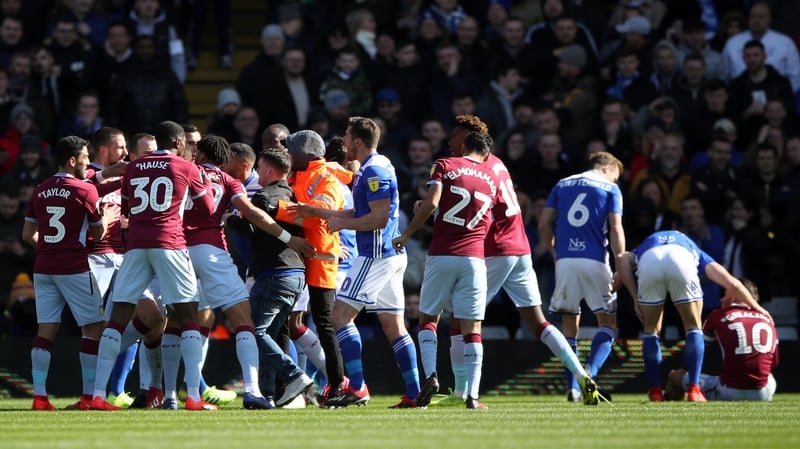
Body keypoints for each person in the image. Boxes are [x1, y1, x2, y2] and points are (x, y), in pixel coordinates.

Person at [435, 114, 601, 407]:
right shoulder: (497, 163)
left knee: (460, 320)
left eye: (455, 137)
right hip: (520, 247)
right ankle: (581, 374)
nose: (450, 142)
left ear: (469, 138)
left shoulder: (476, 168)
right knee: (538, 322)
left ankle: (462, 392)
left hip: (496, 250)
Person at [294, 117, 421, 408]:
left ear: (358, 142)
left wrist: (341, 222)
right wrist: (324, 214)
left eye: (347, 137)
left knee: (338, 318)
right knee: (393, 326)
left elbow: (377, 218)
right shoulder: (377, 166)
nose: (344, 142)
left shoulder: (373, 170)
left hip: (375, 255)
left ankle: (358, 386)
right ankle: (415, 392)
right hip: (389, 256)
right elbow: (362, 211)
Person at [180, 135, 313, 409]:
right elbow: (252, 214)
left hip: (176, 250)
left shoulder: (184, 171)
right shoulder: (232, 182)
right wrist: (290, 239)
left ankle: (179, 394)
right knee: (246, 323)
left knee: (180, 321)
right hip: (214, 251)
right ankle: (259, 389)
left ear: (201, 156)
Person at [89, 121, 215, 411]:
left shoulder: (134, 167)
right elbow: (207, 209)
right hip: (170, 243)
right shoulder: (186, 167)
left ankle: (97, 394)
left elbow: (128, 207)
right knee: (188, 316)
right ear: (180, 143)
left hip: (135, 245)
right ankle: (193, 396)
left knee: (118, 316)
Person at [393, 131, 499, 411]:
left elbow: (432, 203)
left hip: (442, 252)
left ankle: (431, 376)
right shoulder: (491, 177)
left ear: (463, 146)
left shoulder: (445, 165)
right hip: (475, 257)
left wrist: (407, 233)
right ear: (486, 154)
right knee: (472, 327)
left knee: (429, 317)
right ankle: (473, 397)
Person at [616, 230, 770, 402]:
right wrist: (757, 307)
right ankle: (694, 390)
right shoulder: (692, 248)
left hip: (650, 261)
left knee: (650, 331)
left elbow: (621, 259)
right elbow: (732, 283)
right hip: (681, 260)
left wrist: (634, 296)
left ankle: (655, 391)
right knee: (693, 328)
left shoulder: (643, 247)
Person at [225, 148, 315, 409]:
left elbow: (250, 226)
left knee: (253, 331)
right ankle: (267, 394)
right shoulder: (294, 195)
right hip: (296, 275)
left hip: (274, 273)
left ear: (269, 171)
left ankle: (293, 374)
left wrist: (230, 219)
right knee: (269, 337)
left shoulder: (263, 197)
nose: (258, 174)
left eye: (261, 168)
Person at [22, 135, 106, 411]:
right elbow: (98, 232)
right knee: (93, 327)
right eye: (84, 156)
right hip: (74, 267)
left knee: (46, 328)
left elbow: (27, 234)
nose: (87, 161)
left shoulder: (40, 189)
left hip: (44, 266)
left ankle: (39, 397)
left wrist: (49, 248)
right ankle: (88, 397)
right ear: (72, 160)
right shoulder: (86, 190)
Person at [538, 151, 625, 404]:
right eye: (616, 177)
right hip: (595, 259)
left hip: (565, 261)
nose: (616, 181)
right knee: (607, 322)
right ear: (607, 168)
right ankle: (589, 373)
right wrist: (620, 261)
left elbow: (544, 222)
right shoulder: (609, 188)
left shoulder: (562, 184)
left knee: (569, 329)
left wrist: (555, 250)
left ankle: (574, 389)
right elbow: (616, 227)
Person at [273, 129, 347, 405]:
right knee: (289, 322)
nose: (288, 154)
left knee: (324, 323)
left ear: (306, 153)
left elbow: (316, 217)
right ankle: (291, 386)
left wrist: (275, 210)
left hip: (319, 260)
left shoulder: (326, 179)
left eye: (292, 149)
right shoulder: (300, 175)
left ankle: (338, 383)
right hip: (297, 259)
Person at [664, 278, 778, 401]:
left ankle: (668, 398)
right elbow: (774, 363)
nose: (721, 299)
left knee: (675, 376)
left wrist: (684, 373)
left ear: (735, 296)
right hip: (763, 393)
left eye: (724, 294)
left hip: (729, 391)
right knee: (769, 375)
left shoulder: (717, 315)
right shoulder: (768, 319)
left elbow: (697, 353)